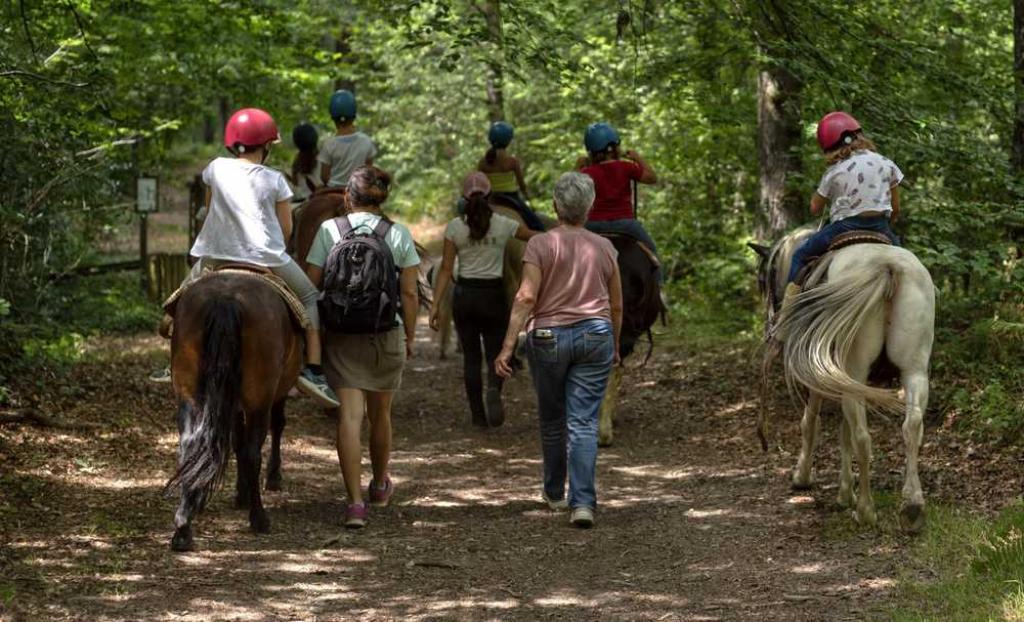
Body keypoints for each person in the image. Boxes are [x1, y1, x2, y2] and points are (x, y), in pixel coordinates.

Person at [150, 108, 339, 409]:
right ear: (265, 145)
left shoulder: (215, 168)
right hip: (265, 256)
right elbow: (286, 228)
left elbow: (210, 210)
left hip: (214, 254)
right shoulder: (276, 180)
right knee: (310, 298)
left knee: (179, 302)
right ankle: (313, 371)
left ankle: (174, 359)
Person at [495, 172, 623, 529]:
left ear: (555, 206)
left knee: (553, 418)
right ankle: (583, 503)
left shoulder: (539, 244)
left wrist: (507, 347)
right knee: (583, 422)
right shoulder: (605, 248)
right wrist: (614, 343)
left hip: (548, 337)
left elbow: (525, 297)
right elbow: (616, 306)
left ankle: (554, 493)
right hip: (595, 335)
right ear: (590, 207)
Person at [305, 166, 420, 529]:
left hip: (341, 334)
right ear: (382, 199)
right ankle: (380, 484)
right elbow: (410, 292)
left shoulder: (329, 230)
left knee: (350, 417)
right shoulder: (397, 233)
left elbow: (312, 286)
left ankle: (354, 504)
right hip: (384, 332)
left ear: (346, 197)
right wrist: (411, 336)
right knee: (380, 414)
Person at [429, 172, 537, 428]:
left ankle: (478, 416)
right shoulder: (502, 223)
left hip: (465, 297)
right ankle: (494, 391)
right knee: (494, 355)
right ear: (489, 197)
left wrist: (434, 305)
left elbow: (445, 269)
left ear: (464, 199)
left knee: (471, 358)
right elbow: (534, 236)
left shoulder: (455, 227)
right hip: (494, 297)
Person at [783, 111, 903, 301]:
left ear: (829, 147)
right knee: (904, 260)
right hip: (880, 227)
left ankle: (787, 307)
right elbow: (896, 208)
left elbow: (814, 208)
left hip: (843, 228)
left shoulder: (834, 172)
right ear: (859, 135)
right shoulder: (886, 163)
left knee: (799, 254)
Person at [577, 122, 660, 280]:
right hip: (626, 225)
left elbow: (570, 189)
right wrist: (638, 158)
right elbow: (652, 178)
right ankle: (657, 286)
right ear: (615, 147)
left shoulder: (586, 173)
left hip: (593, 225)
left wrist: (577, 166)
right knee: (652, 254)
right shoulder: (627, 167)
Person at [477, 121, 545, 231]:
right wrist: (527, 197)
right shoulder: (512, 162)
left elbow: (480, 183)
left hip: (490, 197)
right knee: (537, 224)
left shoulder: (482, 163)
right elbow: (521, 185)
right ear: (508, 141)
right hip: (511, 197)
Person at [318, 90, 377, 189]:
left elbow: (324, 177)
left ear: (333, 118)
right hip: (358, 190)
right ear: (353, 117)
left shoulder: (329, 144)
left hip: (334, 189)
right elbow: (369, 171)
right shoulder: (366, 141)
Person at [287, 122, 322, 204]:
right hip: (325, 203)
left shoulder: (296, 165)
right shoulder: (325, 159)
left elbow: (296, 189)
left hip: (305, 206)